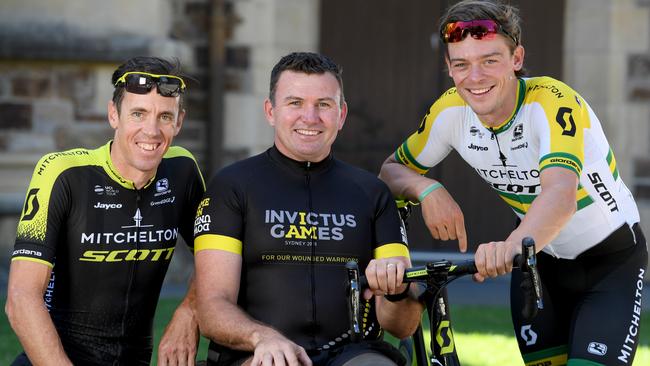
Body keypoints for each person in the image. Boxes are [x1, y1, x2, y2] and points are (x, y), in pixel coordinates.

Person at [379, 0, 647, 365]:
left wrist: (508, 247)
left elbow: (560, 196)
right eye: (461, 64)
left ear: (516, 58)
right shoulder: (449, 112)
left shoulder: (551, 103)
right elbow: (391, 171)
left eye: (490, 60)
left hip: (610, 264)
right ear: (449, 68)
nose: (475, 78)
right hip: (540, 269)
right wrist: (427, 189)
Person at [194, 52, 423, 366]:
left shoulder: (373, 193)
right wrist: (262, 338)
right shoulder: (231, 186)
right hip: (257, 353)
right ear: (270, 111)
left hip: (355, 354)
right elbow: (211, 308)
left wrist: (396, 292)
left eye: (324, 105)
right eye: (295, 103)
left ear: (341, 115)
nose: (310, 117)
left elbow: (402, 325)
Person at [5, 56, 205, 365]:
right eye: (138, 113)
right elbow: (21, 299)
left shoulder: (183, 171)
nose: (151, 131)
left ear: (179, 121)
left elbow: (217, 257)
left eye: (165, 117)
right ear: (114, 114)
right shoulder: (61, 171)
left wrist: (189, 311)